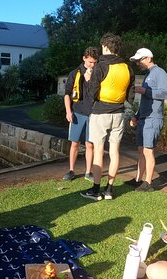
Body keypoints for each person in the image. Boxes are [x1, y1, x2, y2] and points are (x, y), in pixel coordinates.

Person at [81, 32, 133, 201]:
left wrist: (88, 79)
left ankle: (96, 190)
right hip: (118, 113)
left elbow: (92, 92)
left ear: (104, 46)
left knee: (98, 151)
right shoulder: (127, 67)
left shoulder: (100, 66)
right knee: (115, 151)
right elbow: (130, 96)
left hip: (100, 112)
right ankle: (109, 190)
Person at [128, 47, 167, 192]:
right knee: (141, 149)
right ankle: (139, 179)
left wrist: (145, 91)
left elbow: (165, 93)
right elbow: (145, 101)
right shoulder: (148, 74)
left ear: (148, 58)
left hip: (153, 118)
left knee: (147, 150)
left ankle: (148, 183)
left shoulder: (159, 73)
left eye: (139, 60)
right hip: (144, 118)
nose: (138, 63)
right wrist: (136, 116)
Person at [62, 47, 99, 182]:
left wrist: (90, 79)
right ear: (84, 58)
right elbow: (67, 94)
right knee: (75, 143)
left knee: (90, 144)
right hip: (77, 112)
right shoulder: (75, 73)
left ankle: (88, 172)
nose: (92, 65)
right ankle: (71, 171)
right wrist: (68, 111)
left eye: (94, 62)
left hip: (93, 113)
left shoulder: (98, 73)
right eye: (90, 62)